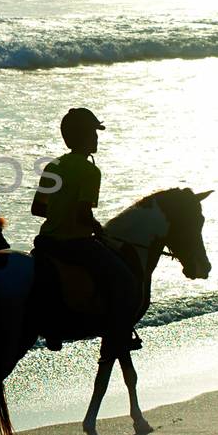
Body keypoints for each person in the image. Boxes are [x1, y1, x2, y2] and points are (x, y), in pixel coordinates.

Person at [30, 107, 141, 346]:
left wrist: (60, 210)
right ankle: (121, 330)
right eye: (92, 133)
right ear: (82, 137)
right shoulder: (90, 172)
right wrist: (97, 227)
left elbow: (37, 209)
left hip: (47, 241)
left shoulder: (53, 166)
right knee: (121, 277)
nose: (96, 138)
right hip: (75, 244)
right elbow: (83, 215)